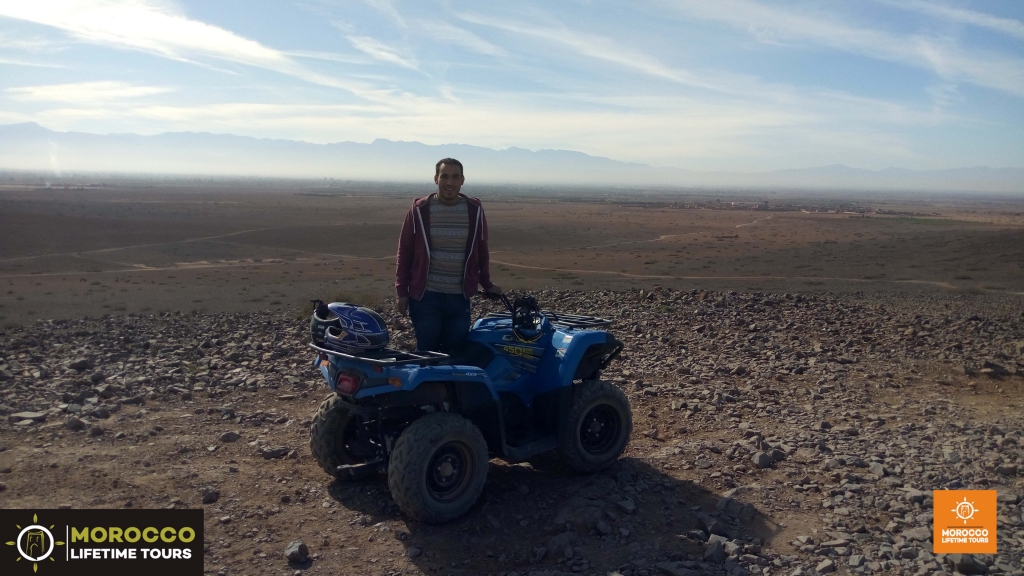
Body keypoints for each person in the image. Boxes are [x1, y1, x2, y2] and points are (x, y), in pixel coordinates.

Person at [395, 158, 502, 352]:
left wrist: (487, 284)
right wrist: (401, 291)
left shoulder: (474, 210)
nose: (450, 182)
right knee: (428, 353)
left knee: (456, 354)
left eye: (455, 177)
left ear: (462, 180)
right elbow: (405, 251)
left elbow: (481, 250)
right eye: (445, 176)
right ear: (436, 179)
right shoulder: (420, 210)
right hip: (425, 297)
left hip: (459, 298)